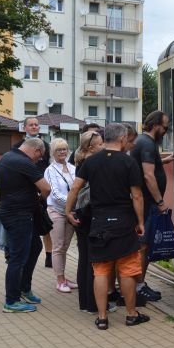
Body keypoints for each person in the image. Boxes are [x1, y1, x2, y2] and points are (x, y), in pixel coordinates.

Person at [66, 124, 148, 329]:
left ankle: (102, 318)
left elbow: (75, 188)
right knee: (127, 270)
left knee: (101, 270)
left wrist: (68, 211)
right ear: (122, 138)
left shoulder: (91, 162)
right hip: (123, 222)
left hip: (99, 222)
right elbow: (137, 195)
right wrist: (140, 221)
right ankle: (131, 314)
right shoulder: (128, 162)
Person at [0, 137, 51, 312]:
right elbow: (46, 188)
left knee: (35, 246)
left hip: (12, 211)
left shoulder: (7, 157)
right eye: (40, 157)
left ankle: (24, 288)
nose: (39, 160)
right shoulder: (24, 162)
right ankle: (11, 301)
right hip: (19, 215)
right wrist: (41, 199)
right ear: (37, 151)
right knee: (17, 258)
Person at [129, 111, 173, 301]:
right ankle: (138, 287)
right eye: (165, 127)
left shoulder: (143, 142)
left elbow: (146, 166)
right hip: (147, 204)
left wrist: (162, 161)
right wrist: (160, 202)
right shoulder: (147, 143)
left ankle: (139, 284)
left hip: (146, 203)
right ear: (155, 125)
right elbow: (148, 175)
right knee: (143, 246)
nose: (165, 130)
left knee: (144, 245)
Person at [71, 130, 105, 314]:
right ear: (91, 147)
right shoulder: (93, 163)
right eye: (100, 144)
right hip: (89, 213)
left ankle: (85, 302)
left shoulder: (80, 160)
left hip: (80, 213)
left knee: (84, 258)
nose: (104, 146)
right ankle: (94, 303)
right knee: (94, 260)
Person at [43, 138, 77, 293]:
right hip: (56, 211)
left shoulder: (72, 168)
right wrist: (71, 203)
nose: (63, 152)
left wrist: (74, 206)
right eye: (59, 150)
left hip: (70, 212)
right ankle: (59, 280)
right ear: (53, 152)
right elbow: (55, 194)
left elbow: (78, 187)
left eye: (64, 149)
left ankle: (64, 277)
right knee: (57, 247)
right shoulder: (50, 170)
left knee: (65, 247)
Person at [24, 116, 54, 267]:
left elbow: (50, 166)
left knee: (46, 223)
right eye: (31, 125)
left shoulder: (46, 146)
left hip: (42, 189)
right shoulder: (18, 146)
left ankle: (49, 256)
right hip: (26, 190)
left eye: (36, 125)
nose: (34, 127)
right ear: (25, 128)